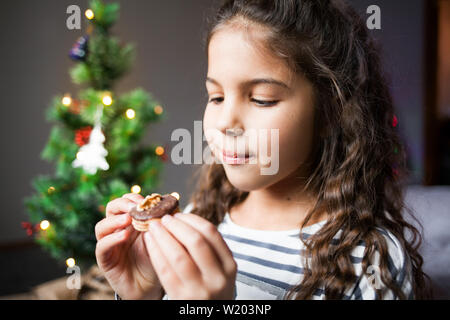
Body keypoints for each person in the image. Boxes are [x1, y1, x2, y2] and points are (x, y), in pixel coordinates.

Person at [95, 0, 432, 300]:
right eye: (216, 97)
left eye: (261, 99)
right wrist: (142, 295)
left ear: (331, 111)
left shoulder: (371, 260)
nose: (226, 121)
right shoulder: (200, 217)